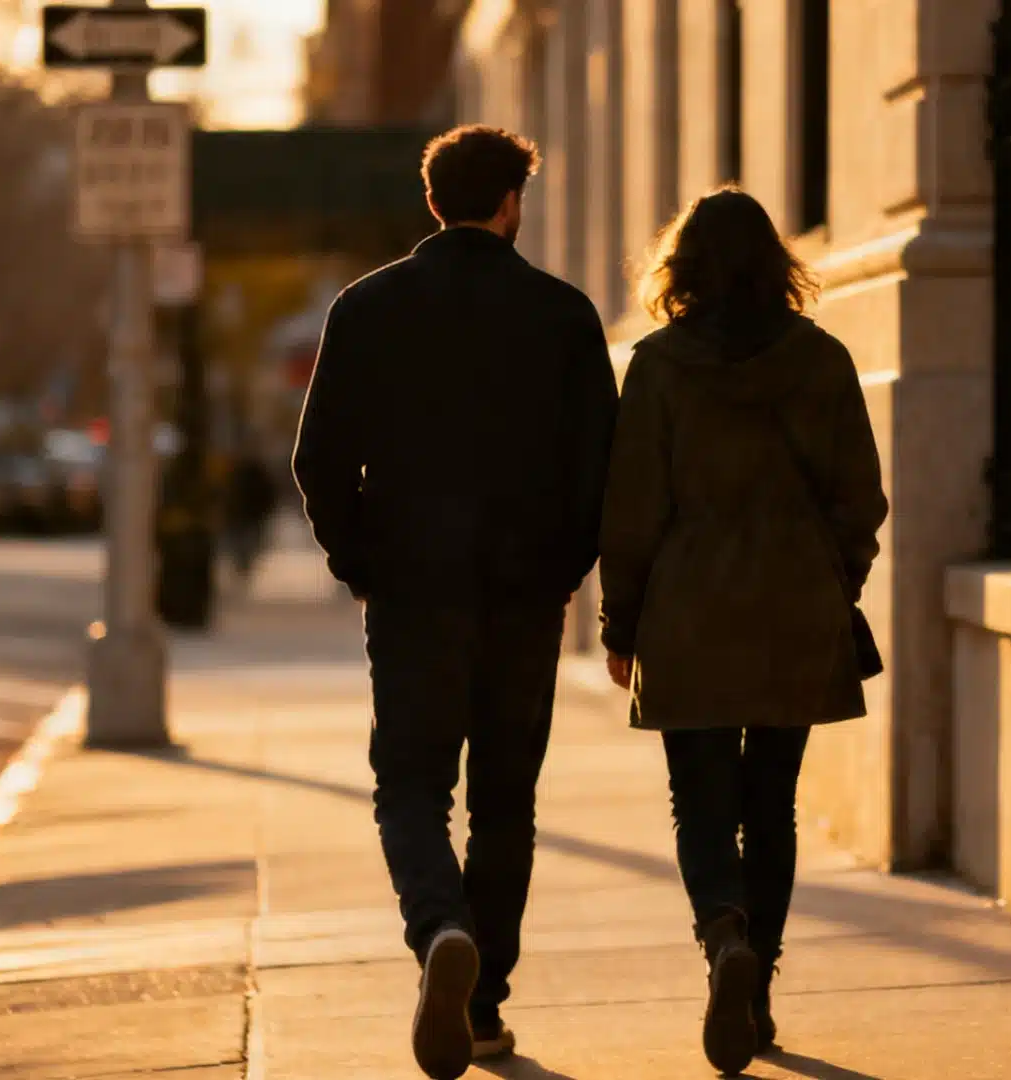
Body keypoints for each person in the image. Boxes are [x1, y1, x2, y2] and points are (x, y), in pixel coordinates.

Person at [292, 125, 618, 1080]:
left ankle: (439, 926)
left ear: (433, 203)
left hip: (412, 593)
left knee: (410, 786)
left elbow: (317, 464)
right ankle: (480, 1008)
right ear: (511, 203)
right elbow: (604, 470)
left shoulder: (366, 307)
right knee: (506, 801)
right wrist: (566, 566)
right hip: (523, 598)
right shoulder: (563, 316)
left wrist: (363, 562)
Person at [598, 188, 889, 1077]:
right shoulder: (823, 360)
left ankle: (722, 932)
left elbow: (633, 509)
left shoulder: (655, 367)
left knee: (701, 801)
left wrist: (623, 620)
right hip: (795, 606)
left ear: (680, 268)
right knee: (772, 805)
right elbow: (861, 499)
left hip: (688, 610)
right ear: (777, 263)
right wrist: (835, 578)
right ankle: (756, 987)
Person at [223, 444, 277, 585]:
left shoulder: (236, 474)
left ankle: (242, 564)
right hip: (250, 514)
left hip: (245, 514)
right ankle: (244, 564)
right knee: (247, 540)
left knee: (243, 540)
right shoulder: (258, 473)